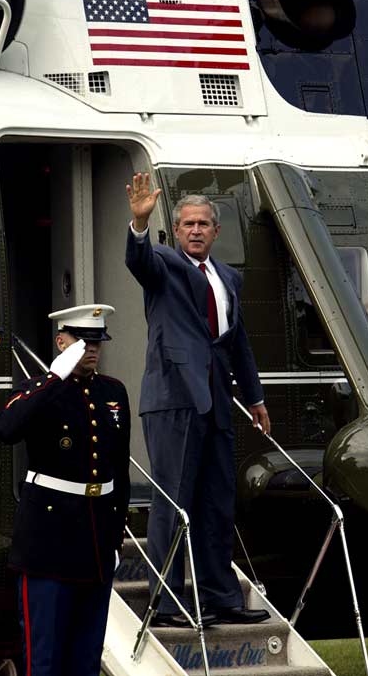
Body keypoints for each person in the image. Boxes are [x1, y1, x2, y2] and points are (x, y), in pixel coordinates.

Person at [125, 172, 271, 628]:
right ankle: (165, 605)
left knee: (216, 503)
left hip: (218, 404)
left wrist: (256, 398)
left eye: (203, 224)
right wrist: (138, 225)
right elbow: (139, 261)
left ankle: (220, 598)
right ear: (177, 227)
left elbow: (237, 343)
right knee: (173, 502)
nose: (194, 230)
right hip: (173, 400)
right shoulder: (164, 265)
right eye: (187, 223)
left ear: (215, 230)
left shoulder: (228, 277)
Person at [0, 304, 130, 676]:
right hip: (48, 544)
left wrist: (114, 537)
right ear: (61, 341)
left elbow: (118, 469)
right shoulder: (39, 391)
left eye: (97, 342)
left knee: (85, 659)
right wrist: (53, 378)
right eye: (81, 341)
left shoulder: (112, 392)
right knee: (45, 658)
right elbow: (6, 429)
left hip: (95, 544)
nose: (91, 349)